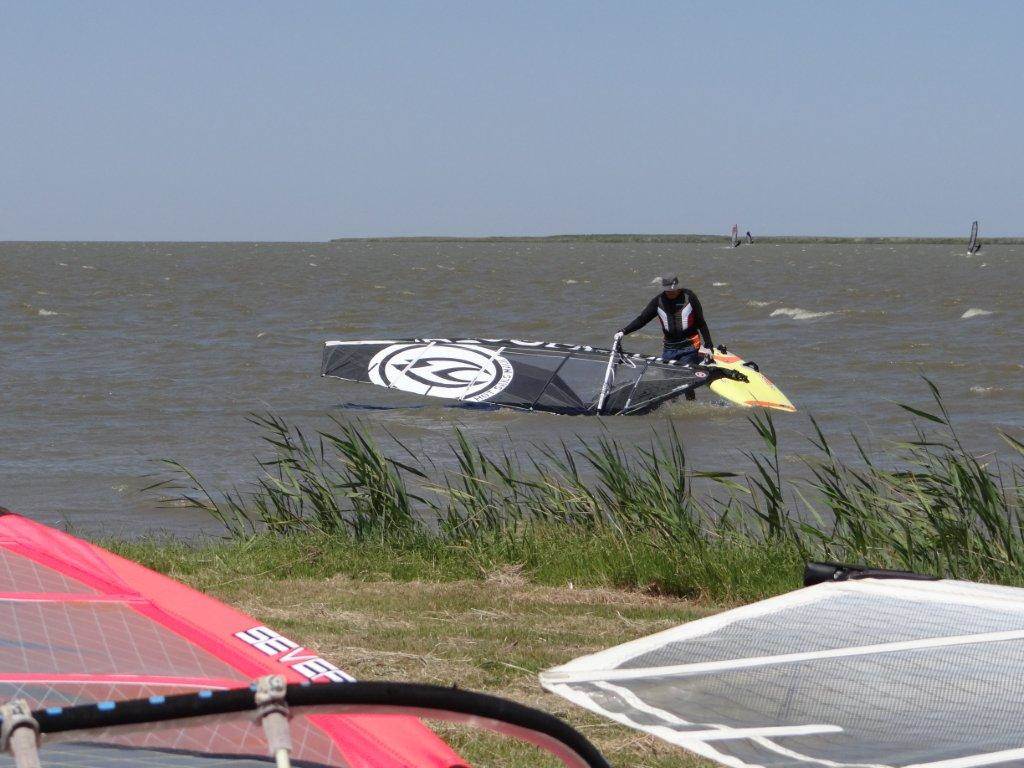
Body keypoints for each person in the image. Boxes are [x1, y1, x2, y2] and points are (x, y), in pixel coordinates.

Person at [615, 274, 714, 399]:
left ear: (678, 287)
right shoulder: (658, 301)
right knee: (670, 383)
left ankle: (690, 403)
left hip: (690, 346)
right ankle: (674, 405)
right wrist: (623, 331)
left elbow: (701, 322)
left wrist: (709, 345)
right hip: (669, 349)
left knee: (685, 379)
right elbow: (642, 319)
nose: (671, 294)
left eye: (673, 291)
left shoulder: (689, 297)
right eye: (668, 292)